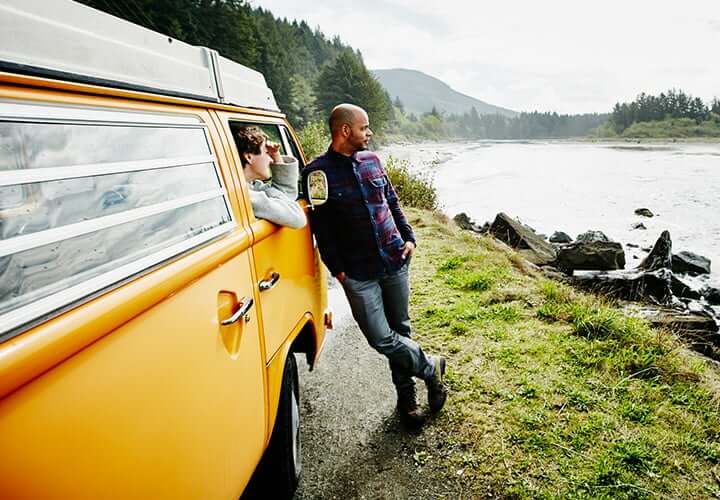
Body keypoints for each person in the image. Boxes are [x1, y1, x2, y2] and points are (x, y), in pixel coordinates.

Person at [302, 103, 447, 424]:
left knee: (400, 330)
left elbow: (392, 200)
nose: (369, 133)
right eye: (364, 128)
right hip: (357, 273)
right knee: (382, 338)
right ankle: (430, 367)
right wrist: (338, 270)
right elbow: (322, 228)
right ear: (345, 131)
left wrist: (409, 237)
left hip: (396, 259)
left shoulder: (373, 160)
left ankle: (406, 402)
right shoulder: (317, 174)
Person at [236, 126, 306, 229]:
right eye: (267, 153)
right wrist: (270, 191)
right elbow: (298, 218)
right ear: (249, 157)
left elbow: (287, 195)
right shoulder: (249, 197)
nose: (271, 160)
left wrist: (277, 156)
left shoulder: (252, 187)